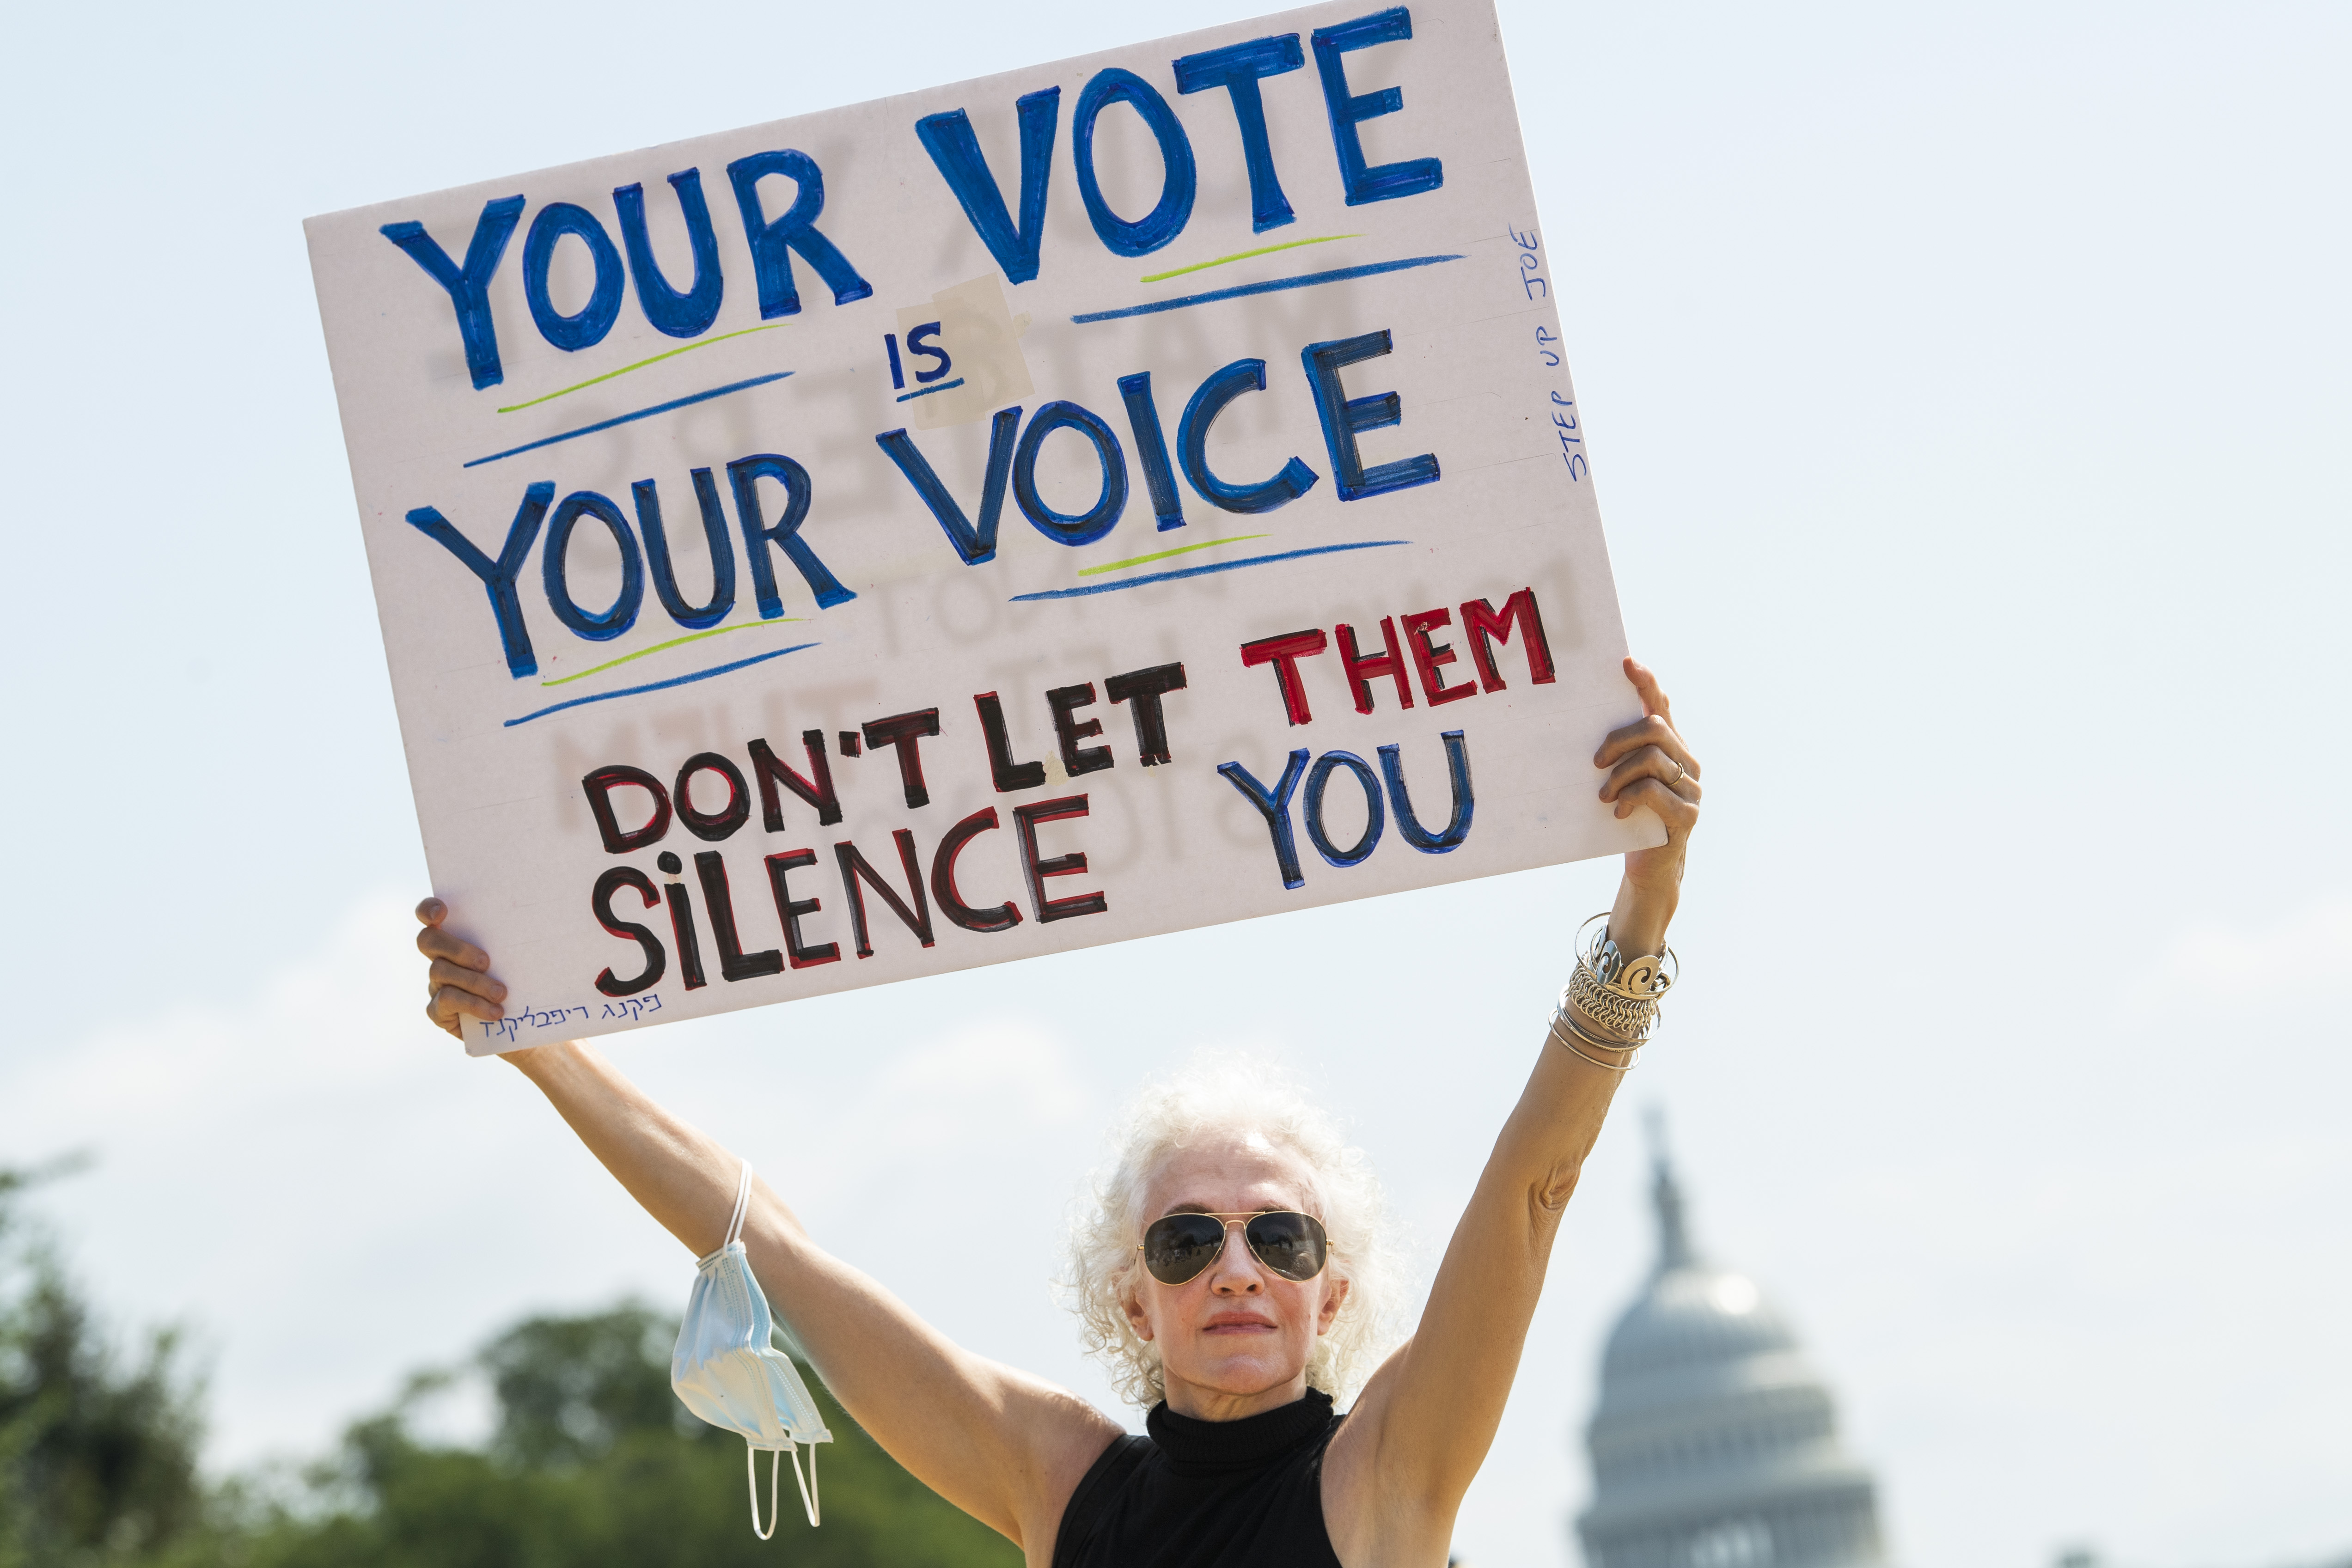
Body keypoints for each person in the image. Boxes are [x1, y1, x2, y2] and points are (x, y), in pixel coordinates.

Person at [414, 657, 1701, 1568]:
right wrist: (543, 1044)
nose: (1237, 1268)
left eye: (1280, 1238)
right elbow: (773, 1258)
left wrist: (1646, 902)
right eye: (1187, 1240)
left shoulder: (1384, 1474)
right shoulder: (1061, 1483)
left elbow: (1533, 1185)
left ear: (1334, 1290)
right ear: (1133, 1300)